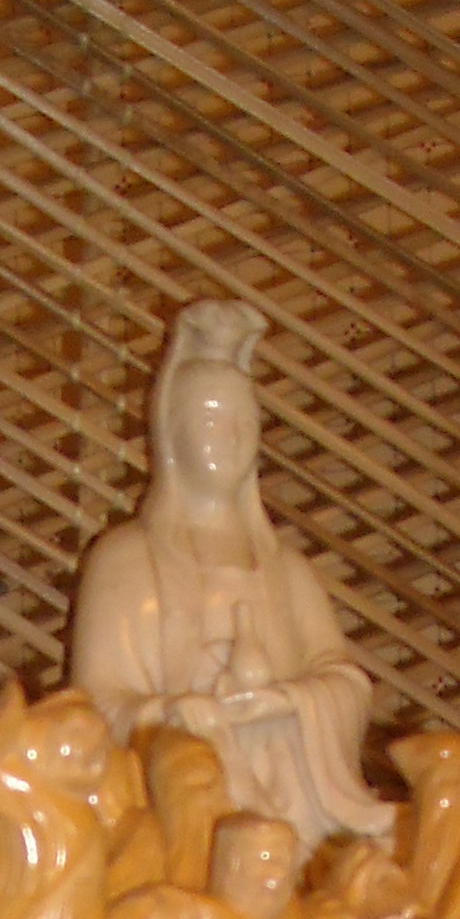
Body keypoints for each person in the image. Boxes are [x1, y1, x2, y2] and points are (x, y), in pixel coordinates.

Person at [68, 301, 396, 855]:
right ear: (173, 435)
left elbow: (345, 680)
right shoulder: (125, 561)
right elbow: (92, 703)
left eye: (245, 423)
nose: (231, 438)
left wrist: (289, 702)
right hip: (180, 800)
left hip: (292, 794)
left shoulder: (285, 570)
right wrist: (167, 715)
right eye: (212, 422)